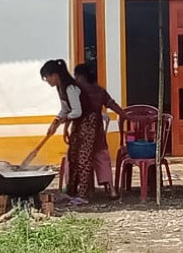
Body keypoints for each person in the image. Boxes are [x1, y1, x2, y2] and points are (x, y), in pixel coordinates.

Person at [41, 59, 102, 205]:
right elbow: (65, 109)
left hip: (89, 121)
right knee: (73, 156)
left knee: (83, 158)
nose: (47, 81)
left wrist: (63, 121)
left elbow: (77, 111)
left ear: (55, 75)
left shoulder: (71, 88)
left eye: (47, 77)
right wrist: (56, 121)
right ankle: (71, 192)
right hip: (78, 122)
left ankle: (83, 195)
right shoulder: (60, 87)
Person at [74, 63, 124, 199]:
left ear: (81, 77)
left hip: (83, 135)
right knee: (103, 160)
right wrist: (124, 115)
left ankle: (86, 191)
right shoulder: (99, 91)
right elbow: (112, 104)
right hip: (98, 133)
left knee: (80, 161)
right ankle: (112, 190)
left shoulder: (78, 93)